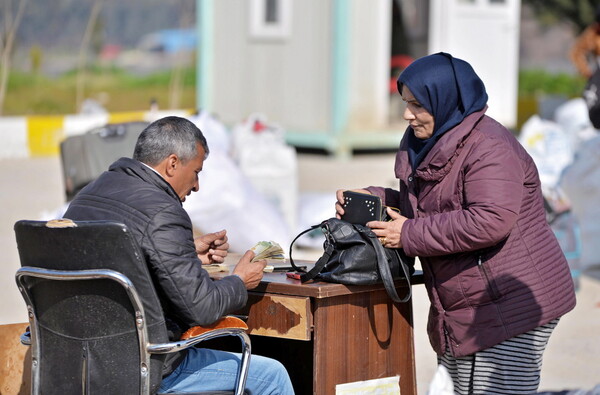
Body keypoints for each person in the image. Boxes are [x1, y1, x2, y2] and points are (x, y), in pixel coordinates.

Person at [335, 53, 576, 394]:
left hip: (510, 305)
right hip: (465, 303)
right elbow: (425, 204)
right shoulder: (426, 142)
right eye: (405, 103)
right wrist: (374, 199)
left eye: (418, 105)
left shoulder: (489, 147)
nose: (407, 114)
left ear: (445, 100)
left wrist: (407, 234)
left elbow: (489, 220)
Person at [64, 116, 294, 394]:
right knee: (274, 376)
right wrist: (239, 281)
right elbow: (203, 308)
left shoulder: (87, 196)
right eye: (196, 171)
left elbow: (117, 262)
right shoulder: (164, 212)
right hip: (147, 366)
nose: (197, 185)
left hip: (80, 362)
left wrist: (188, 255)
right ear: (173, 164)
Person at [570, 6, 600, 79]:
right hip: (598, 76)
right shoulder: (593, 32)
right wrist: (586, 72)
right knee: (590, 90)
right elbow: (576, 53)